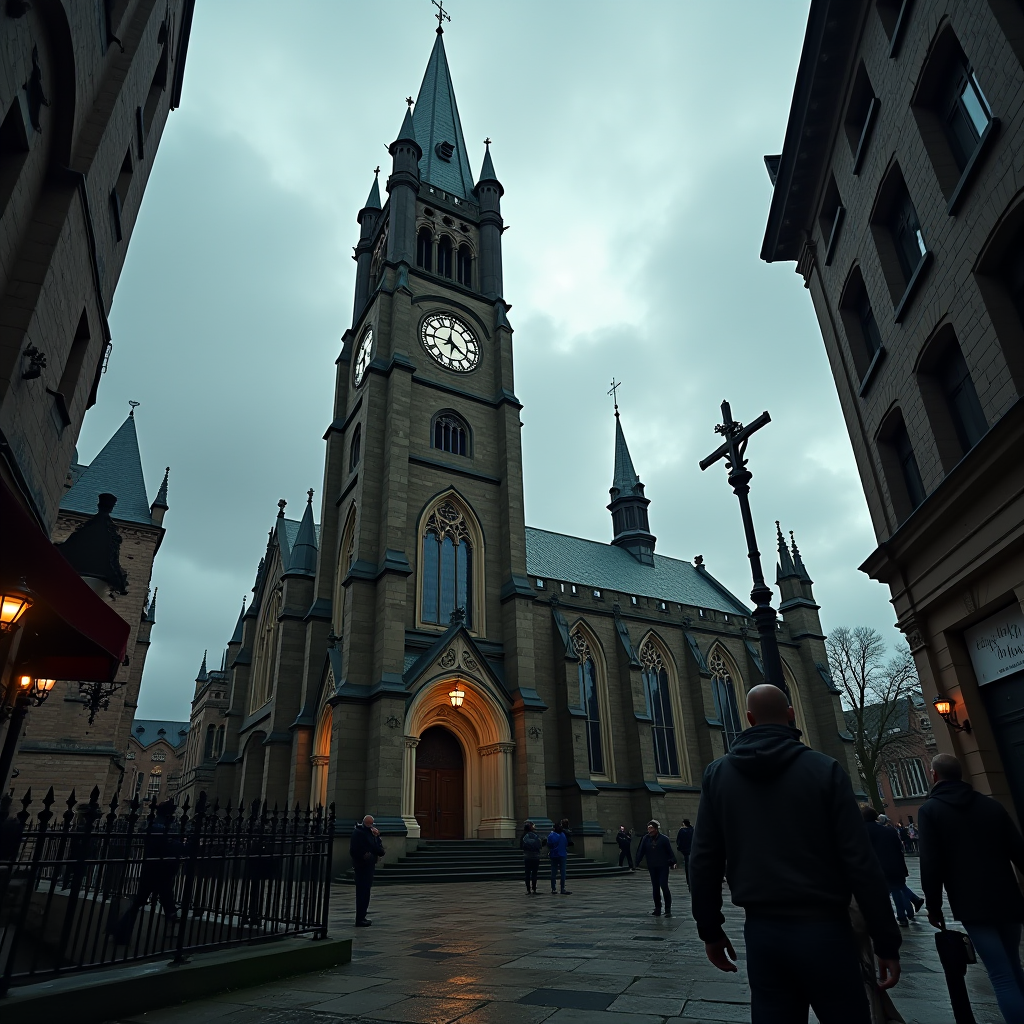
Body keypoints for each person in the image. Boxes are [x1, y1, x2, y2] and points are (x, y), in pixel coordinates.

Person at [690, 683, 901, 1024]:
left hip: (763, 934)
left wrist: (710, 930)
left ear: (748, 718)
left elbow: (703, 861)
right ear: (790, 715)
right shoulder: (825, 770)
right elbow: (861, 863)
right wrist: (886, 942)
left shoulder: (718, 775)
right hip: (826, 931)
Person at [919, 752, 1024, 1024]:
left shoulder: (931, 810)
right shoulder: (991, 807)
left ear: (934, 775)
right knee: (1013, 966)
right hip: (1007, 898)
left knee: (1000, 975)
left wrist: (933, 905)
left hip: (972, 904)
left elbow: (931, 863)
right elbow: (1019, 851)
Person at [111, 799, 182, 944]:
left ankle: (121, 933)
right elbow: (174, 846)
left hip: (152, 868)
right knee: (165, 900)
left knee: (143, 902)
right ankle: (172, 931)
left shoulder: (152, 824)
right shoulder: (168, 826)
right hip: (164, 869)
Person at [861, 803, 923, 926]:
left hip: (880, 866)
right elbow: (899, 847)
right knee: (899, 887)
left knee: (894, 890)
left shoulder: (863, 831)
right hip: (896, 864)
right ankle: (912, 906)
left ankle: (902, 916)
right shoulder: (889, 830)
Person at [636, 819, 677, 916]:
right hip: (652, 866)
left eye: (651, 828)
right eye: (648, 828)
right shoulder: (646, 839)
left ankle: (667, 909)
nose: (649, 830)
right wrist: (637, 862)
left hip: (663, 866)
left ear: (656, 829)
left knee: (664, 886)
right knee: (655, 887)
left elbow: (669, 852)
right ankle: (657, 908)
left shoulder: (664, 839)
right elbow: (641, 850)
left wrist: (673, 862)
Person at [350, 814, 385, 927]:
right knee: (361, 893)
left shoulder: (372, 834)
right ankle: (359, 918)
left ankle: (362, 916)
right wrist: (364, 856)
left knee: (366, 892)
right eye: (369, 824)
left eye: (372, 824)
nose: (371, 826)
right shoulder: (358, 833)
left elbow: (380, 850)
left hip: (369, 866)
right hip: (361, 867)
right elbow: (354, 851)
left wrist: (377, 837)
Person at [546, 821, 571, 895]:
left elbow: (549, 845)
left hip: (554, 855)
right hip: (562, 854)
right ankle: (562, 888)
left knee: (554, 872)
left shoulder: (551, 835)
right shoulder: (563, 835)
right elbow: (566, 844)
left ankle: (553, 888)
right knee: (563, 872)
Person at [520, 820, 542, 894]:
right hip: (536, 856)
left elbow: (521, 846)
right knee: (534, 873)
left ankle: (528, 889)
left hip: (527, 857)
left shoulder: (524, 836)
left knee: (527, 874)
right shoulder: (536, 835)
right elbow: (539, 845)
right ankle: (534, 889)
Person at [676, 818, 694, 886]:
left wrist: (680, 848)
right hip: (693, 850)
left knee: (687, 866)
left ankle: (689, 881)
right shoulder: (693, 830)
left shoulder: (682, 831)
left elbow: (678, 841)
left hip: (685, 850)